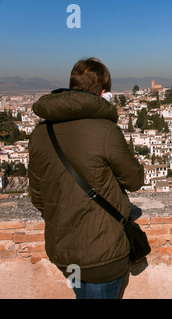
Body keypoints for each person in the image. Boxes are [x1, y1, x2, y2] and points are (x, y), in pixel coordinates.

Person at [28, 58, 144, 299]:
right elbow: (134, 181)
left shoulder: (41, 132)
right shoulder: (104, 130)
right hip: (103, 253)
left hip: (64, 253)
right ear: (105, 93)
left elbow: (38, 196)